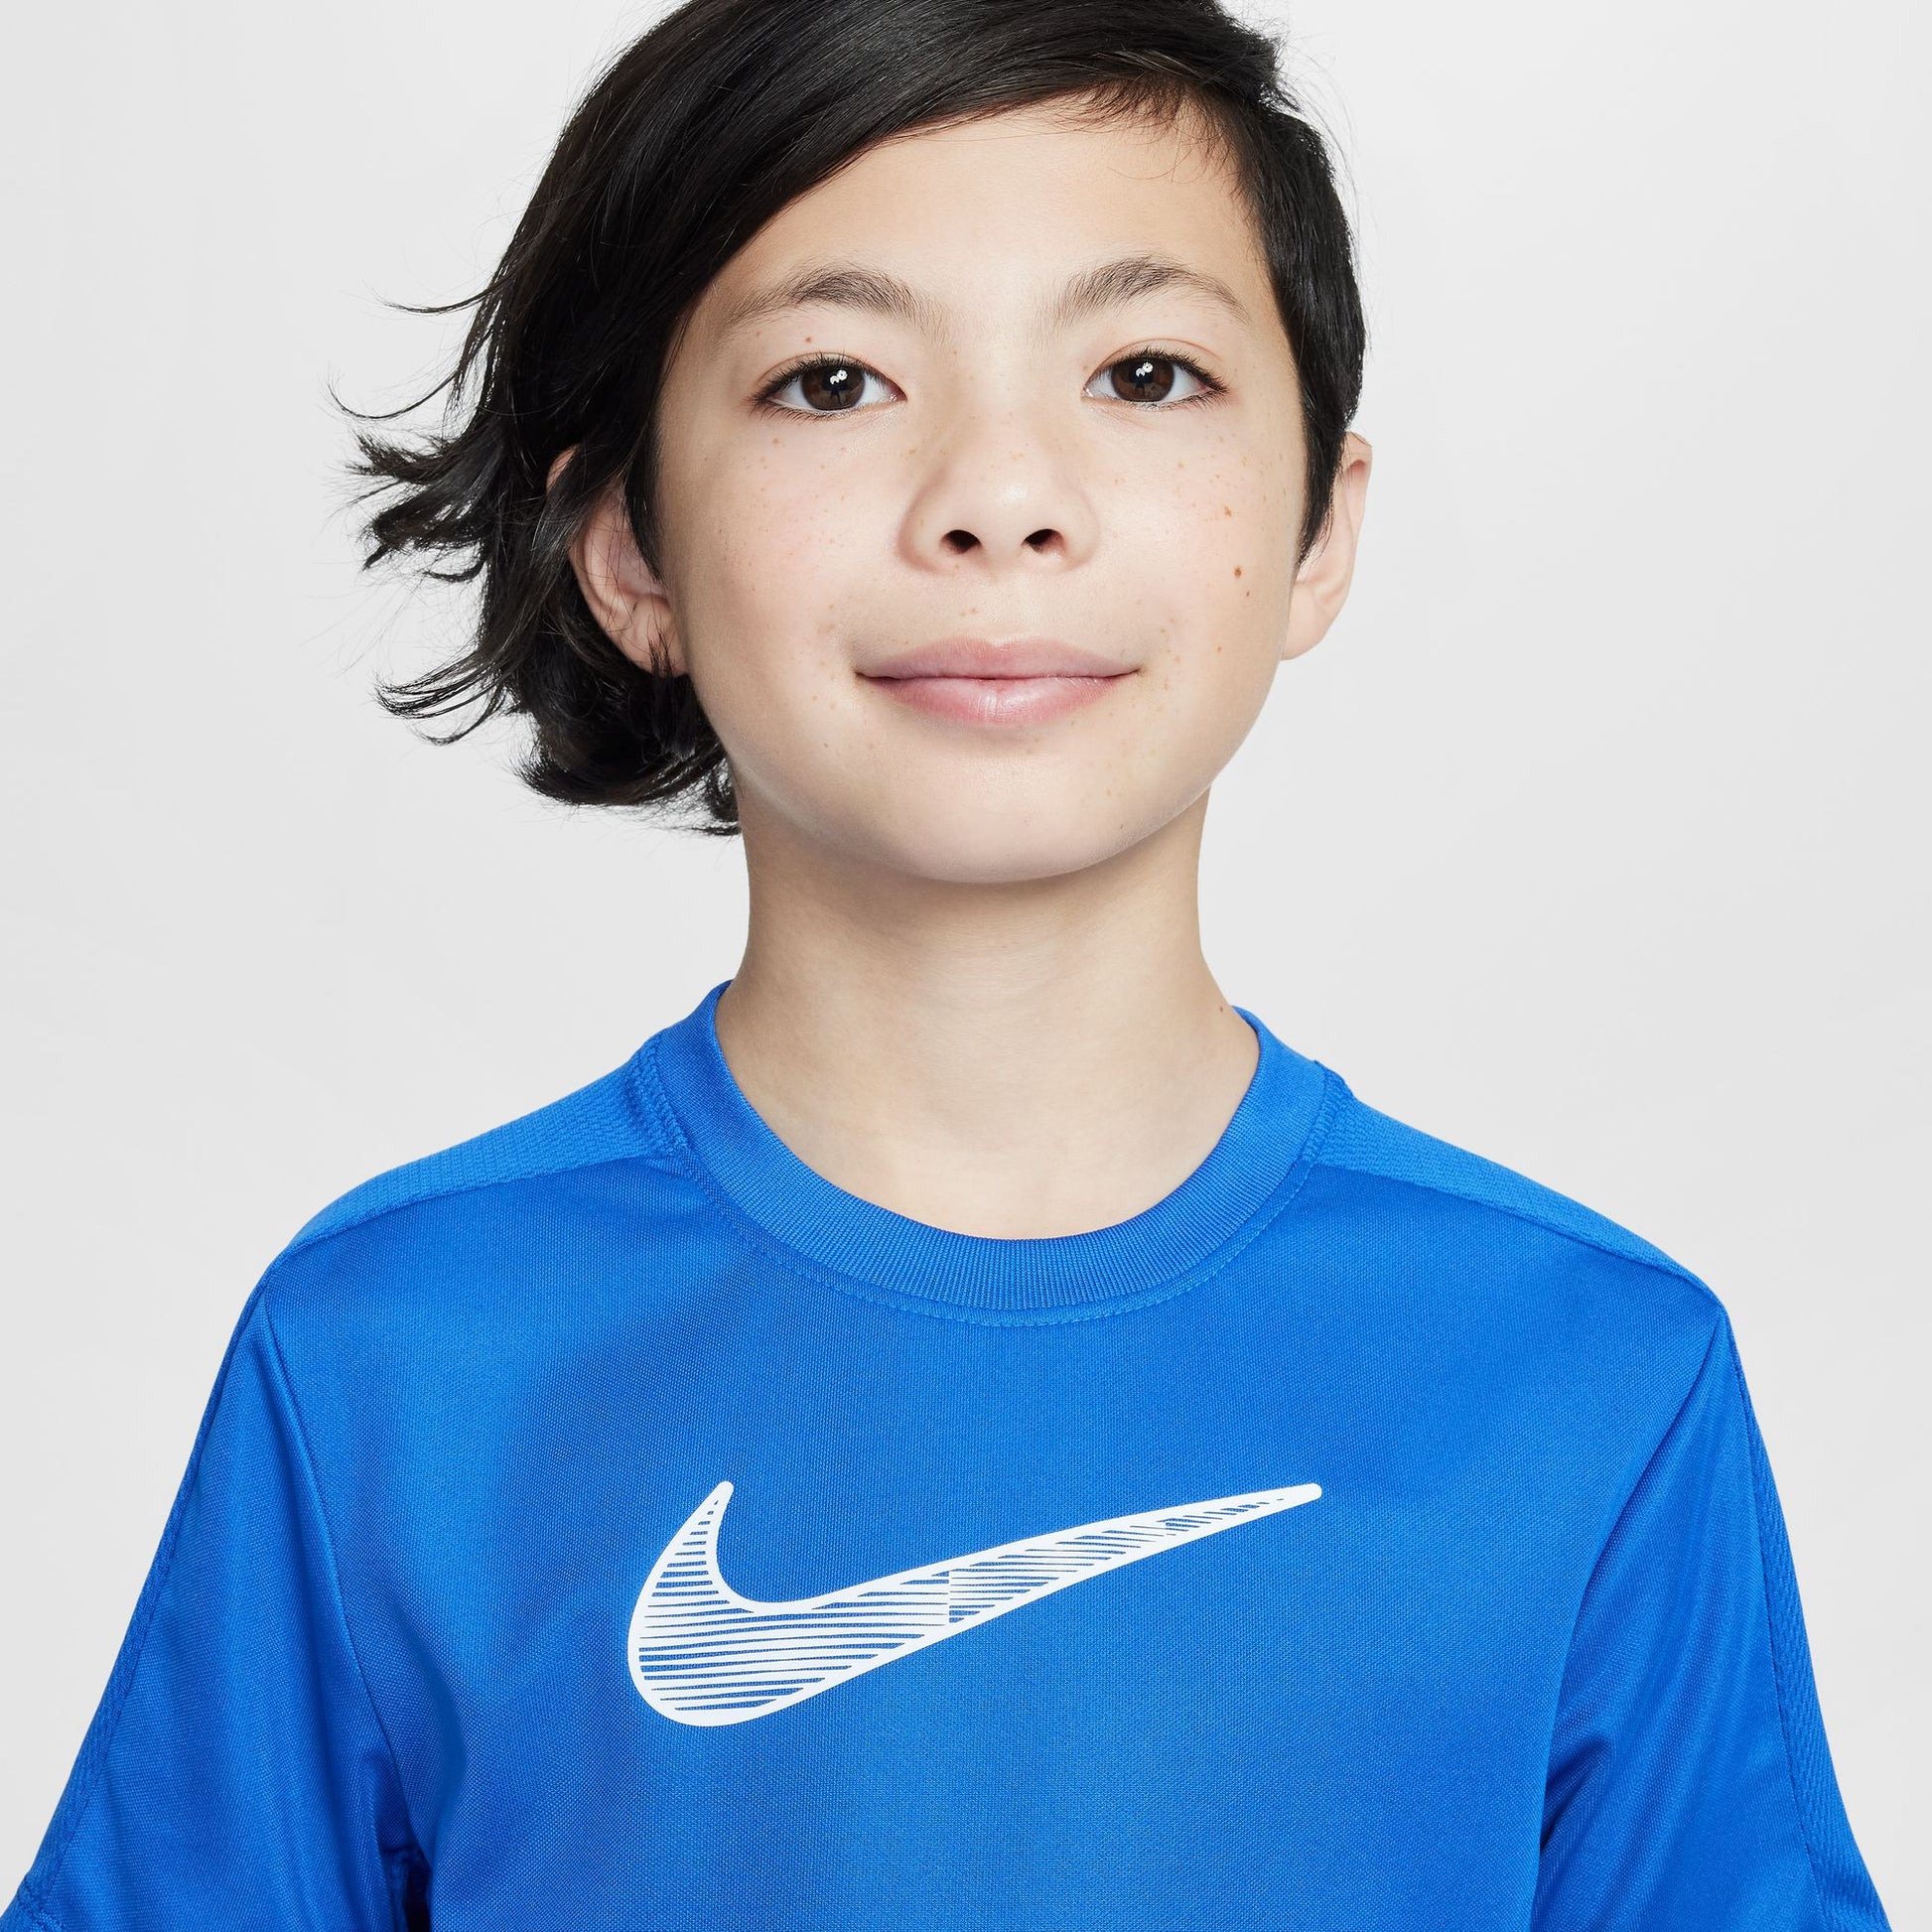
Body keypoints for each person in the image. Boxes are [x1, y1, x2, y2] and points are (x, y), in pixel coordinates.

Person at [2, 1, 1893, 1926]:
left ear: (1319, 527)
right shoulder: (402, 1357)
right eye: (832, 381)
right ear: (629, 548)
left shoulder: (1584, 1374)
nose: (998, 495)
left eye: (1143, 372)